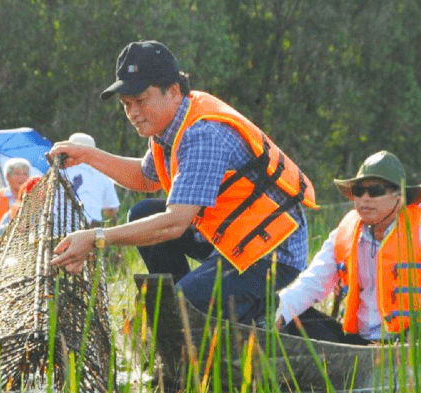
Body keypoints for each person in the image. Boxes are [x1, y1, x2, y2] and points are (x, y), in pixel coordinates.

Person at [49, 40, 318, 324]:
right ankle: (196, 302)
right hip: (228, 236)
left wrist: (96, 238)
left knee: (180, 307)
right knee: (143, 213)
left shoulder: (202, 133)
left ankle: (249, 312)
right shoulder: (168, 126)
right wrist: (87, 155)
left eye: (140, 100)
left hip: (271, 250)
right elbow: (145, 177)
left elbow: (175, 223)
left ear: (173, 91)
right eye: (126, 104)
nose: (133, 113)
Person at [275, 150, 421, 344]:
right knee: (294, 317)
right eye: (358, 191)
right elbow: (311, 283)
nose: (365, 198)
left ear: (399, 197)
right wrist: (278, 314)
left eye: (375, 191)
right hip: (360, 341)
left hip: (410, 337)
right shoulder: (344, 233)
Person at [60, 132, 120, 226]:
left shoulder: (60, 170)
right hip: (91, 225)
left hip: (61, 224)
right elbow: (112, 209)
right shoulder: (103, 173)